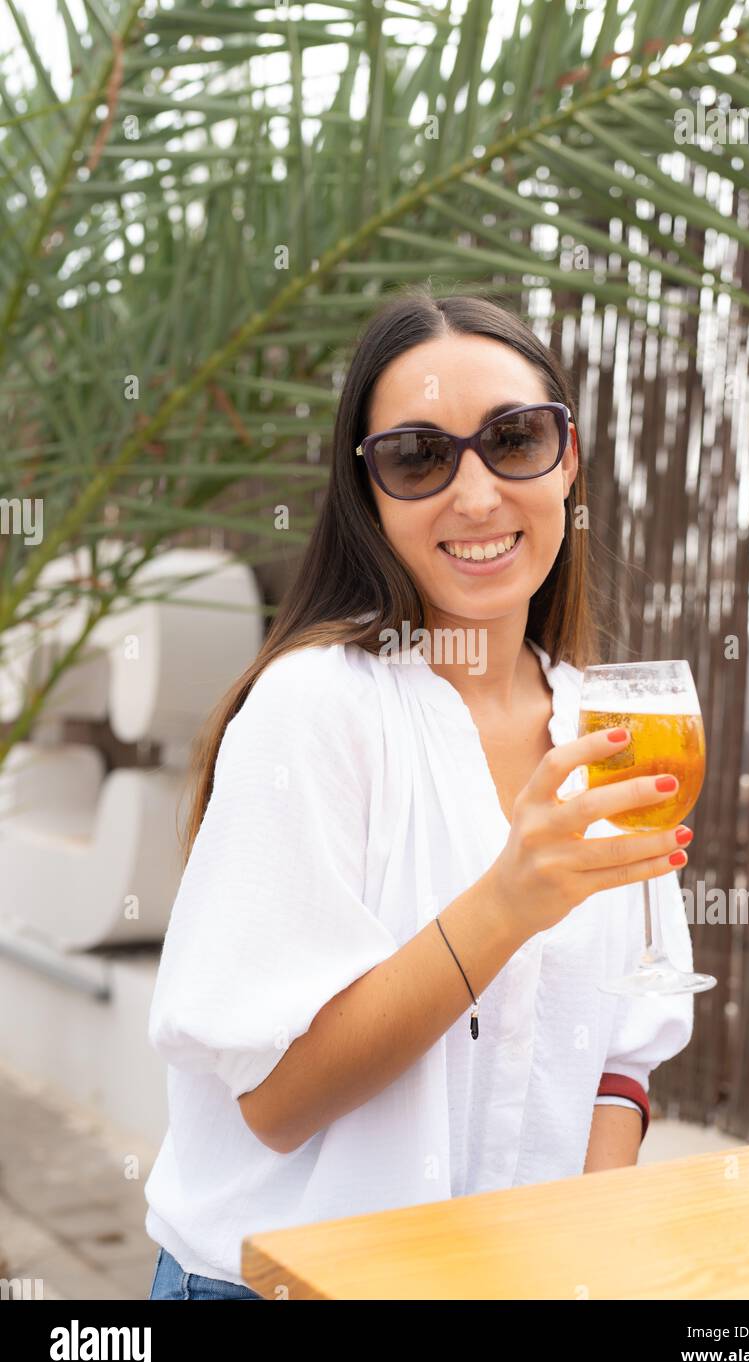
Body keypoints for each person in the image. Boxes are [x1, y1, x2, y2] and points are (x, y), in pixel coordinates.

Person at [145, 289, 695, 1299]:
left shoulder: (600, 728)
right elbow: (273, 1100)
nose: (475, 495)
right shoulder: (315, 707)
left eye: (513, 438)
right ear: (370, 494)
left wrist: (584, 1250)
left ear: (566, 459)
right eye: (417, 456)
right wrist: (504, 904)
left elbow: (625, 1046)